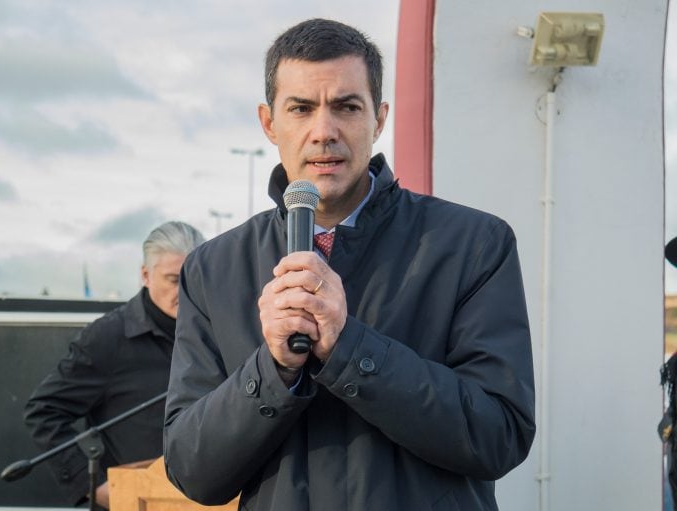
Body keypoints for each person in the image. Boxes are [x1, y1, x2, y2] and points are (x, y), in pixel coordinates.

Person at [163, 18, 535, 510]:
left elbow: (499, 436)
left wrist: (350, 346)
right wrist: (273, 369)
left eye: (346, 106)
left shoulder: (473, 245)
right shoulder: (213, 269)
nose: (324, 131)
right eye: (301, 108)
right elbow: (193, 472)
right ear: (269, 122)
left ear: (378, 119)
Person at [24, 221, 204, 508]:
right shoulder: (108, 338)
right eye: (173, 279)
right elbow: (45, 412)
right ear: (146, 275)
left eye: (194, 278)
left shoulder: (217, 332)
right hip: (138, 502)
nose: (184, 291)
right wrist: (91, 486)